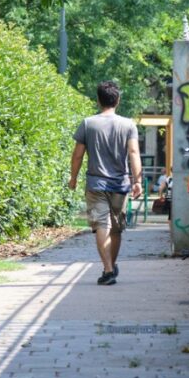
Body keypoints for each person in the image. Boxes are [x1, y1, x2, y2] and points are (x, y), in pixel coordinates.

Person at [68, 81, 142, 285]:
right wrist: (137, 181)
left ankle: (108, 269)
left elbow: (77, 155)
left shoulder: (88, 124)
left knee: (101, 225)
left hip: (96, 184)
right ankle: (110, 267)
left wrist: (73, 178)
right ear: (118, 100)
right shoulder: (128, 125)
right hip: (120, 184)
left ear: (98, 100)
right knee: (116, 228)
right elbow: (134, 152)